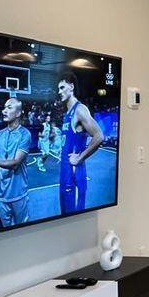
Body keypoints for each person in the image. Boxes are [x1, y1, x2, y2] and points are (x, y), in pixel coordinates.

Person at [0, 96, 32, 226]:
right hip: (0, 194)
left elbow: (15, 163)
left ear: (18, 113)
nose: (4, 111)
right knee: (2, 231)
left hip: (18, 193)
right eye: (4, 107)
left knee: (22, 231)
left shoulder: (25, 134)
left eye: (9, 108)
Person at [57, 73, 103, 214]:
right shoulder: (68, 113)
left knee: (74, 220)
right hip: (66, 174)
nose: (59, 92)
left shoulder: (79, 109)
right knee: (65, 218)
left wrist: (79, 157)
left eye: (62, 87)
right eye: (58, 89)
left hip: (75, 174)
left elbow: (99, 136)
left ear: (71, 87)